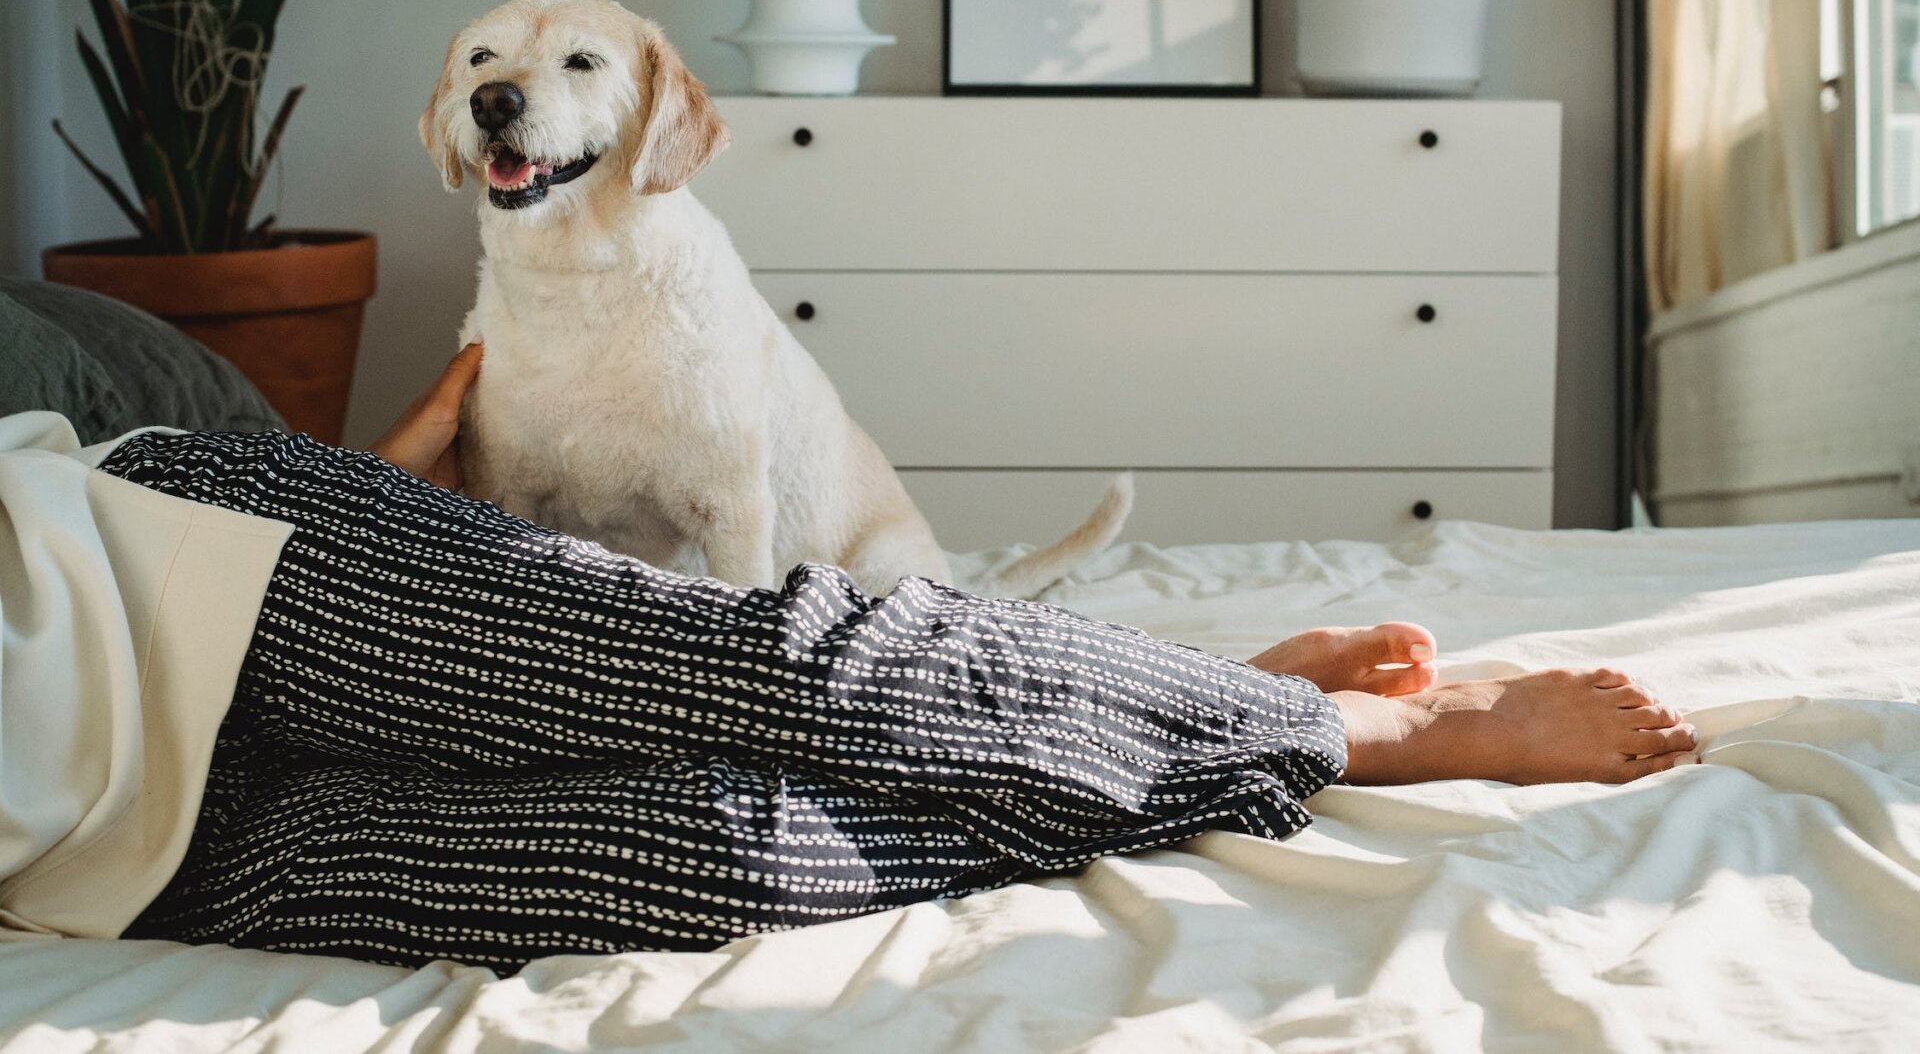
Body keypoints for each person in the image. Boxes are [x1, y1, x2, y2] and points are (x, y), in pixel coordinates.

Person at [0, 345, 1698, 975]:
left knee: (777, 669)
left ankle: (1340, 730)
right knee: (713, 851)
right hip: (115, 863)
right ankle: (1165, 720)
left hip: (169, 575)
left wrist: (371, 506)